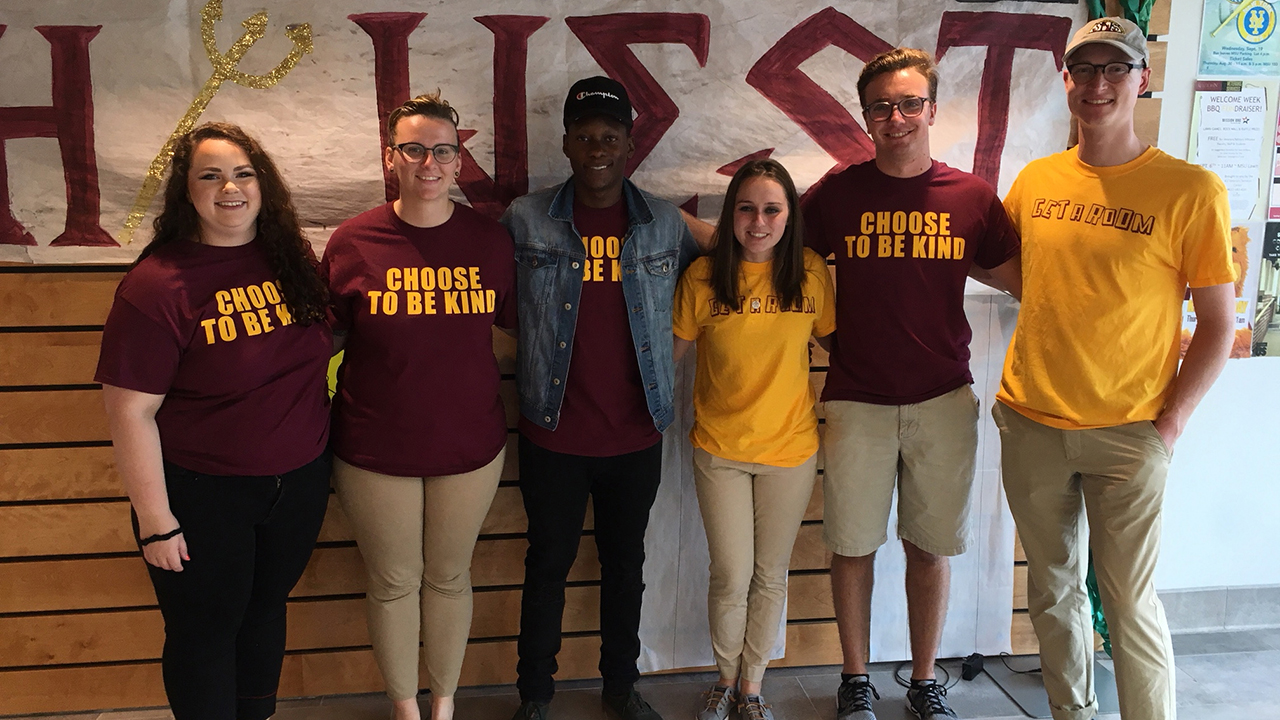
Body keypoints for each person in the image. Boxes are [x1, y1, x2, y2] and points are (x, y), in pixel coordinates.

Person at [995, 18, 1234, 720]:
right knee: (1052, 590)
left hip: (1131, 433)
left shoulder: (1190, 190)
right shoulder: (1036, 180)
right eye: (1085, 69)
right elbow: (1020, 274)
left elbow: (1218, 324)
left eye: (1114, 69)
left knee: (1128, 601)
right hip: (1032, 422)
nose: (1098, 84)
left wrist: (1171, 423)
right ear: (1066, 80)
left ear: (1142, 79)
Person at [802, 48, 1022, 720]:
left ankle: (925, 681)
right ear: (864, 115)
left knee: (929, 547)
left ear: (930, 109)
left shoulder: (972, 198)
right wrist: (835, 342)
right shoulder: (836, 195)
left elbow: (1028, 284)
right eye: (880, 106)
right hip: (855, 400)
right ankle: (855, 681)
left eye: (908, 104)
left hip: (943, 398)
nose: (894, 117)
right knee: (852, 546)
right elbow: (787, 276)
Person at [96, 122, 332, 720]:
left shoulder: (291, 257)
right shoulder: (156, 286)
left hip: (298, 484)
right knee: (205, 634)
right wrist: (156, 523)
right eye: (210, 175)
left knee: (264, 612)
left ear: (263, 185)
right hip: (202, 495)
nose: (230, 187)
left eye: (243, 173)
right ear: (187, 191)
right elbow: (130, 410)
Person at [500, 76, 707, 720]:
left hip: (635, 433)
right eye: (585, 137)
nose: (598, 149)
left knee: (626, 566)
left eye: (610, 138)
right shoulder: (526, 218)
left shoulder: (664, 223)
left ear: (629, 145)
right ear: (565, 143)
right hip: (552, 432)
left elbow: (746, 249)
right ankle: (535, 696)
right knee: (548, 568)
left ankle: (621, 687)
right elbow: (481, 296)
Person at [321, 91, 516, 720]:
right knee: (394, 582)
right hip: (375, 447)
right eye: (413, 149)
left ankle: (444, 704)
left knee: (449, 578)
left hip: (469, 445)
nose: (428, 162)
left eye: (442, 150)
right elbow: (325, 341)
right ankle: (406, 708)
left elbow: (514, 336)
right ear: (390, 157)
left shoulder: (489, 242)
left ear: (459, 161)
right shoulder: (353, 241)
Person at [671, 159, 835, 720]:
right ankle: (723, 679)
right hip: (719, 451)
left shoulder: (811, 273)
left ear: (789, 216)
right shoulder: (701, 278)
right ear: (730, 214)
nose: (758, 221)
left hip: (790, 452)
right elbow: (665, 358)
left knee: (770, 575)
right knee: (732, 574)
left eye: (772, 209)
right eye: (746, 208)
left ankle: (752, 688)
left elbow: (845, 350)